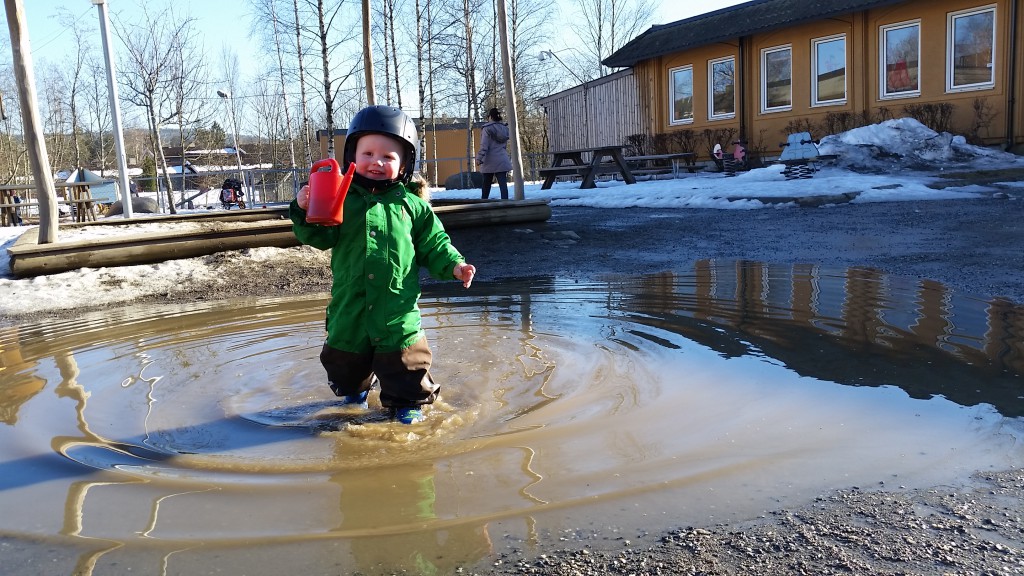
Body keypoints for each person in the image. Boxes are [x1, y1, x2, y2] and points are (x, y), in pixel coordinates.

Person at [290, 105, 477, 425]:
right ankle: (355, 392)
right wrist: (304, 208)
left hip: (396, 308)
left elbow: (435, 245)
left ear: (405, 163)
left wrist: (456, 266)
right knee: (344, 358)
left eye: (388, 156)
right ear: (352, 156)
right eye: (368, 153)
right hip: (351, 305)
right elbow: (319, 236)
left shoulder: (413, 206)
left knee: (406, 361)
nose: (377, 161)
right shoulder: (340, 197)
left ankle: (406, 404)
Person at [476, 107, 513, 200]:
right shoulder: (505, 128)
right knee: (503, 185)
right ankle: (505, 203)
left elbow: (484, 146)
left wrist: (479, 158)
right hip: (502, 159)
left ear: (490, 117)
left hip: (489, 160)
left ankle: (483, 204)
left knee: (486, 185)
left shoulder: (487, 129)